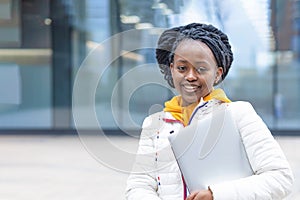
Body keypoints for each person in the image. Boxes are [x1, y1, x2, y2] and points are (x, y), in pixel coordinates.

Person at [125, 23, 294, 200]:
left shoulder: (239, 114)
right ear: (172, 69)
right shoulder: (155, 125)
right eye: (182, 68)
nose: (190, 76)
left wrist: (217, 195)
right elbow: (139, 185)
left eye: (201, 69)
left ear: (218, 73)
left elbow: (280, 178)